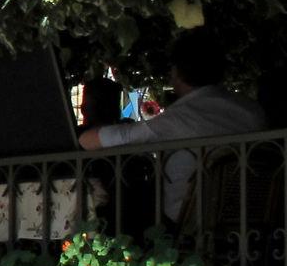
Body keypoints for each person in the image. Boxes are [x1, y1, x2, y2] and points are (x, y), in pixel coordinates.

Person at [78, 29, 266, 221]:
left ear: (177, 72)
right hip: (250, 216)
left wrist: (80, 137)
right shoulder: (252, 112)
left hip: (190, 220)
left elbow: (109, 138)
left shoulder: (181, 117)